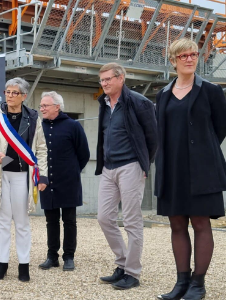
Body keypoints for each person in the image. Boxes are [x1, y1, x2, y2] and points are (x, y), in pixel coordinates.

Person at [155, 38, 226, 300]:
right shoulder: (162, 94)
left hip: (202, 169)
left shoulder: (211, 91)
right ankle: (181, 282)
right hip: (171, 168)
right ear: (173, 60)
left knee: (200, 223)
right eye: (183, 55)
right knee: (176, 225)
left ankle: (198, 284)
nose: (189, 59)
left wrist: (200, 151)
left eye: (193, 54)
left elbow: (220, 128)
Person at [0, 77, 48, 282]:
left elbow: (41, 149)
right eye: (7, 91)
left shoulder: (34, 119)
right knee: (2, 222)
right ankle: (2, 264)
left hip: (23, 177)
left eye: (14, 92)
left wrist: (43, 175)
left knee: (22, 222)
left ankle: (24, 266)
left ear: (24, 96)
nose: (9, 95)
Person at [95, 62, 158, 290]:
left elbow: (153, 138)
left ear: (121, 78)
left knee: (132, 221)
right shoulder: (104, 103)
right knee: (104, 218)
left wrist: (143, 163)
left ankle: (132, 273)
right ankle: (122, 263)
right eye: (101, 80)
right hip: (108, 168)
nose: (104, 84)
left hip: (131, 166)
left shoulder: (139, 103)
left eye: (108, 79)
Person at [37, 91, 89, 272]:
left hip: (68, 181)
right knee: (51, 220)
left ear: (57, 107)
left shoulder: (73, 126)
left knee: (69, 220)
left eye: (45, 105)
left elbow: (84, 154)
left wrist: (72, 170)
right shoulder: (39, 127)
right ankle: (52, 256)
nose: (41, 108)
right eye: (41, 106)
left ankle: (69, 256)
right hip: (46, 181)